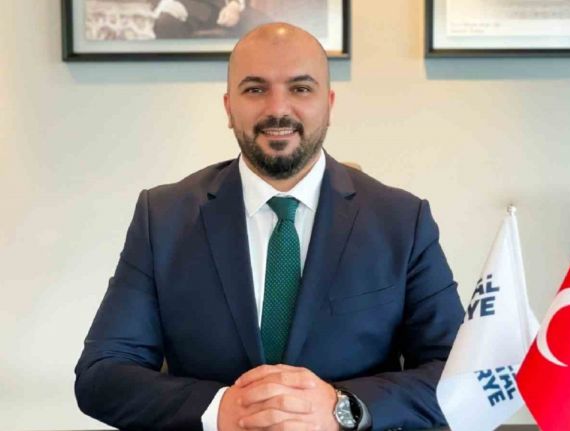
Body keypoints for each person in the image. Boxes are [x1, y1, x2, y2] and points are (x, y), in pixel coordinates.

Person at [74, 23, 464, 431]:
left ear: (329, 103)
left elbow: (459, 374)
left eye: (300, 88)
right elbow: (102, 373)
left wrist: (343, 408)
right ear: (229, 108)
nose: (278, 109)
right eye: (256, 89)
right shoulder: (163, 218)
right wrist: (220, 409)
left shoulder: (402, 220)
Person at [150, 0, 271, 39]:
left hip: (227, 8)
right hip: (183, 10)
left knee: (267, 30)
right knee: (165, 22)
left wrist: (234, 5)